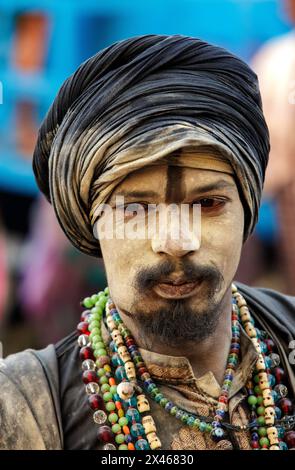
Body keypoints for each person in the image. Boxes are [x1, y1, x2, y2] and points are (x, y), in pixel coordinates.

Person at [0, 34, 294, 451]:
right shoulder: (23, 409)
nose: (176, 242)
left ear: (247, 208)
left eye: (208, 203)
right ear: (90, 221)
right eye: (136, 209)